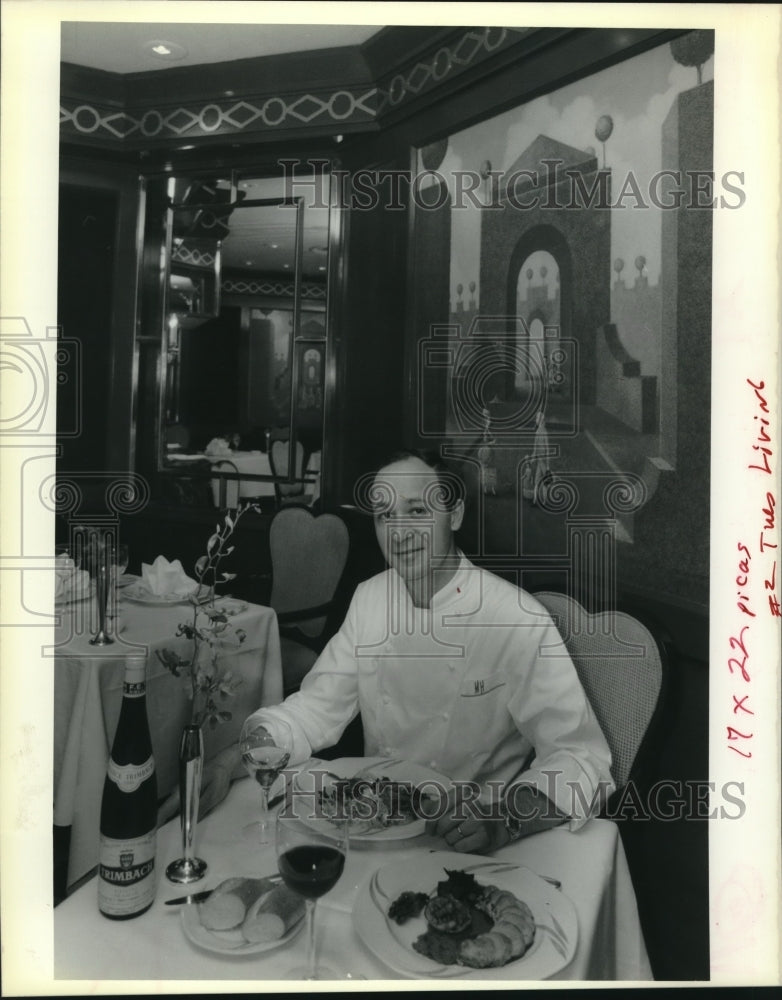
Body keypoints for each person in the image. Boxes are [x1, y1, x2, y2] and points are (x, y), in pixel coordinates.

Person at [161, 449, 613, 852]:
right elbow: (313, 711)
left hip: (466, 842)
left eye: (417, 510)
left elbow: (580, 758)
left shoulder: (517, 617)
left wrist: (504, 820)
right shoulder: (371, 599)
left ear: (454, 515)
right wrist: (225, 763)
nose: (398, 532)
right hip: (370, 828)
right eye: (383, 516)